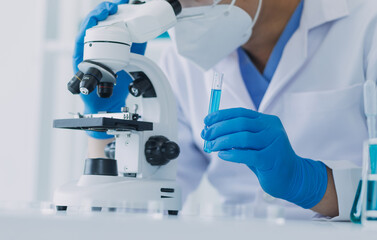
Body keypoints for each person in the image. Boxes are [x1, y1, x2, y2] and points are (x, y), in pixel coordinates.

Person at [73, 0, 377, 220]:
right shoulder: (181, 63)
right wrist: (108, 126)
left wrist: (314, 185)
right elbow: (141, 205)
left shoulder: (367, 27)